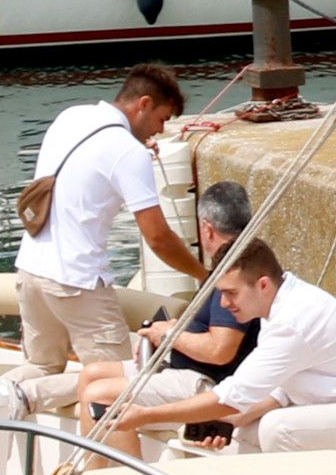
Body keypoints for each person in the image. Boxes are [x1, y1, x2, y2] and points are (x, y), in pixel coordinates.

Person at [84, 239, 336, 458]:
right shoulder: (279, 307)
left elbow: (230, 397)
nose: (225, 303)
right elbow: (275, 392)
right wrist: (228, 422)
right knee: (245, 427)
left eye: (231, 293)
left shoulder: (293, 320)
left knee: (278, 428)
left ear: (262, 284)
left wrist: (144, 415)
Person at [15, 64, 199, 372]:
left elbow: (91, 163)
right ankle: (24, 397)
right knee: (118, 384)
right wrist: (203, 273)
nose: (162, 130)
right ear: (144, 104)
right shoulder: (129, 153)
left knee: (41, 368)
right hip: (76, 281)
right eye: (162, 118)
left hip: (31, 270)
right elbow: (157, 238)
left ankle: (6, 398)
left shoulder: (70, 117)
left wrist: (135, 146)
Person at [141, 181, 265, 395]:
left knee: (99, 394)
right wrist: (170, 329)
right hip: (186, 369)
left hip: (205, 381)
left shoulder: (232, 271)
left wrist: (167, 335)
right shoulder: (236, 262)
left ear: (207, 229)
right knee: (94, 373)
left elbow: (220, 351)